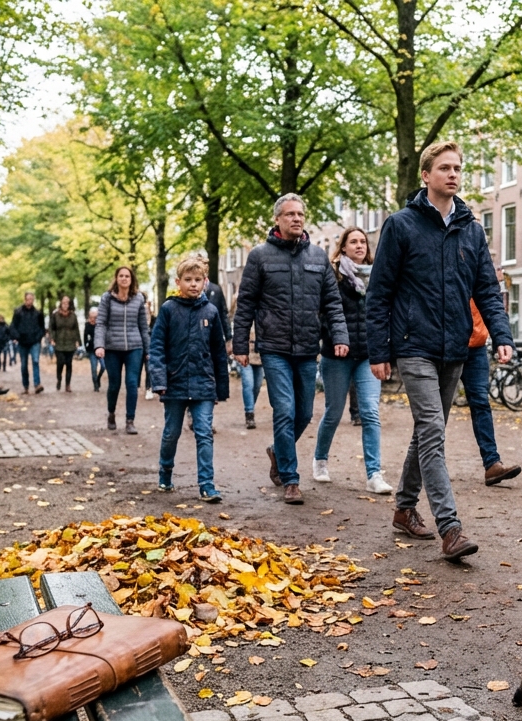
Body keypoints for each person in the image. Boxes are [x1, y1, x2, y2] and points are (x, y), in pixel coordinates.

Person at [367, 140, 515, 561]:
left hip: (457, 349)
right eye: (444, 168)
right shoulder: (401, 226)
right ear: (426, 175)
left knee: (427, 432)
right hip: (414, 346)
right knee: (432, 430)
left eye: (457, 168)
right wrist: (380, 352)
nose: (453, 174)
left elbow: (486, 288)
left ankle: (403, 507)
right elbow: (379, 294)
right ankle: (450, 528)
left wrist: (502, 336)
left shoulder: (471, 227)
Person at [232, 194, 349, 505]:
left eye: (301, 214)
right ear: (277, 220)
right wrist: (241, 344)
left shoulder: (318, 256)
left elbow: (332, 303)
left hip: (308, 348)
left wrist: (340, 336)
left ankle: (277, 451)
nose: (297, 219)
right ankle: (291, 479)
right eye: (290, 214)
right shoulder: (260, 256)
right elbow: (245, 304)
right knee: (284, 410)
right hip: (274, 347)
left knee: (305, 412)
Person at [313, 227, 392, 494]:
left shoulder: (379, 276)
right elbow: (323, 315)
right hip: (337, 355)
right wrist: (333, 339)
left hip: (369, 355)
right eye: (353, 242)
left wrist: (387, 349)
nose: (359, 246)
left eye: (363, 242)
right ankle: (320, 460)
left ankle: (374, 474)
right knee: (333, 413)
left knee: (370, 412)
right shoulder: (333, 276)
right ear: (343, 247)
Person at [148, 257, 229, 502]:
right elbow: (157, 347)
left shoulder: (211, 312)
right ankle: (166, 472)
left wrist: (220, 389)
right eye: (188, 280)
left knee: (204, 433)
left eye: (198, 280)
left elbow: (219, 353)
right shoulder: (168, 309)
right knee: (171, 432)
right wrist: (159, 382)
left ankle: (206, 484)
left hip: (204, 384)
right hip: (174, 382)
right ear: (178, 282)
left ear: (205, 282)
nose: (193, 285)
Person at [461, 302, 522, 485]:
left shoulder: (483, 276)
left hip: (477, 347)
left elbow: (493, 305)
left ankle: (492, 464)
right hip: (446, 344)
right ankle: (424, 465)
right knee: (436, 407)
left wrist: (502, 338)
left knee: (481, 402)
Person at [95, 266, 150, 434]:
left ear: (131, 279)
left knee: (132, 383)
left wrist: (148, 350)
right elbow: (101, 323)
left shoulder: (139, 298)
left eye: (127, 276)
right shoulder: (107, 298)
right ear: (116, 278)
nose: (124, 278)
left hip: (134, 347)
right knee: (114, 384)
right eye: (121, 276)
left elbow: (143, 326)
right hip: (112, 347)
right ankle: (111, 413)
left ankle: (130, 420)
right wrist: (99, 345)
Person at [11, 292, 45, 395]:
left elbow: (42, 328)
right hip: (23, 342)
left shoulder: (38, 313)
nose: (30, 301)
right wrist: (17, 336)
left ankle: (37, 384)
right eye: (28, 299)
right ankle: (25, 386)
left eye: (31, 299)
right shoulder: (18, 312)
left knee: (35, 361)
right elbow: (13, 326)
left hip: (34, 341)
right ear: (25, 300)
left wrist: (38, 337)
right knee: (24, 365)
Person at [49, 295, 80, 392]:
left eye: (67, 303)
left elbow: (76, 329)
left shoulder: (73, 315)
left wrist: (78, 341)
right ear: (61, 304)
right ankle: (59, 379)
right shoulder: (55, 315)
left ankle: (68, 384)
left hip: (70, 343)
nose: (65, 305)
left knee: (69, 364)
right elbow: (52, 328)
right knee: (60, 363)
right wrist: (52, 338)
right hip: (59, 343)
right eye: (64, 303)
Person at [84, 307, 103, 392]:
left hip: (100, 349)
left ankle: (98, 378)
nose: (93, 319)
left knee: (103, 366)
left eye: (95, 317)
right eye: (91, 317)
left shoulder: (100, 325)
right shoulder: (87, 325)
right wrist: (87, 347)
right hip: (91, 350)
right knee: (94, 368)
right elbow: (85, 337)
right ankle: (95, 385)